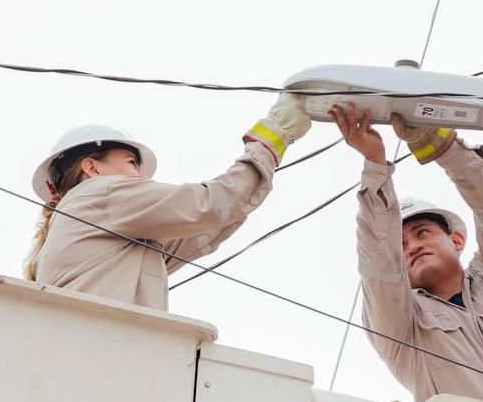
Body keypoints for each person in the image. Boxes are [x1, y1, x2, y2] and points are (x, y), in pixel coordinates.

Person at [330, 103, 483, 402]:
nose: (411, 246)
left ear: (456, 239)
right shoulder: (404, 329)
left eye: (422, 232)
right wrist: (375, 165)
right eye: (400, 245)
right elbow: (378, 264)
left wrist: (438, 143)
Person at [25, 93, 310, 310]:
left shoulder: (90, 229)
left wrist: (251, 181)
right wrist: (274, 133)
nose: (140, 176)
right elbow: (212, 204)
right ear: (92, 168)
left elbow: (211, 222)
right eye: (131, 162)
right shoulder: (102, 194)